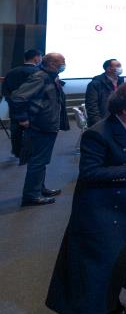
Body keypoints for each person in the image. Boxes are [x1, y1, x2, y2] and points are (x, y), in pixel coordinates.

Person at [45, 80, 126, 314]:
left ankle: (108, 305)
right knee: (90, 266)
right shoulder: (97, 133)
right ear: (124, 109)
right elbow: (89, 173)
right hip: (97, 209)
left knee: (117, 260)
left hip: (123, 205)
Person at [10, 53, 69, 206]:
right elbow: (18, 97)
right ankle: (32, 195)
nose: (64, 64)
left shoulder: (50, 76)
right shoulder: (40, 77)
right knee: (37, 161)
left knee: (41, 161)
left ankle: (38, 189)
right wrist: (22, 118)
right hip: (40, 126)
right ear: (51, 64)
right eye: (62, 62)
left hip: (47, 125)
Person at [1, 48, 41, 160]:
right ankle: (30, 153)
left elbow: (4, 91)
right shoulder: (38, 73)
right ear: (36, 58)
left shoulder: (11, 72)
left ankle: (17, 152)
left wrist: (11, 101)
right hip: (33, 108)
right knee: (33, 131)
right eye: (40, 57)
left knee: (15, 130)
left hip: (14, 107)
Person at [83, 59, 125, 126]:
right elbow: (92, 107)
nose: (120, 68)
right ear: (108, 69)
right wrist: (99, 124)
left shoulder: (121, 82)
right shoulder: (95, 84)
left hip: (119, 119)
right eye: (118, 66)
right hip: (103, 121)